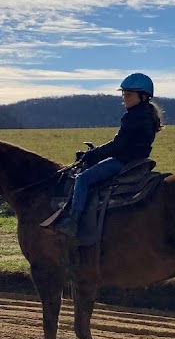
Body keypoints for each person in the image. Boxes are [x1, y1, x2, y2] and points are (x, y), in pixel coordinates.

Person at [43, 73, 164, 237]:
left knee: (82, 179)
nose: (125, 98)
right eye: (124, 94)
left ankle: (72, 221)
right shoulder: (146, 115)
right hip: (137, 160)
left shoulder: (134, 116)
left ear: (142, 97)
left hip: (124, 161)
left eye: (129, 95)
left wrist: (92, 155)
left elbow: (118, 145)